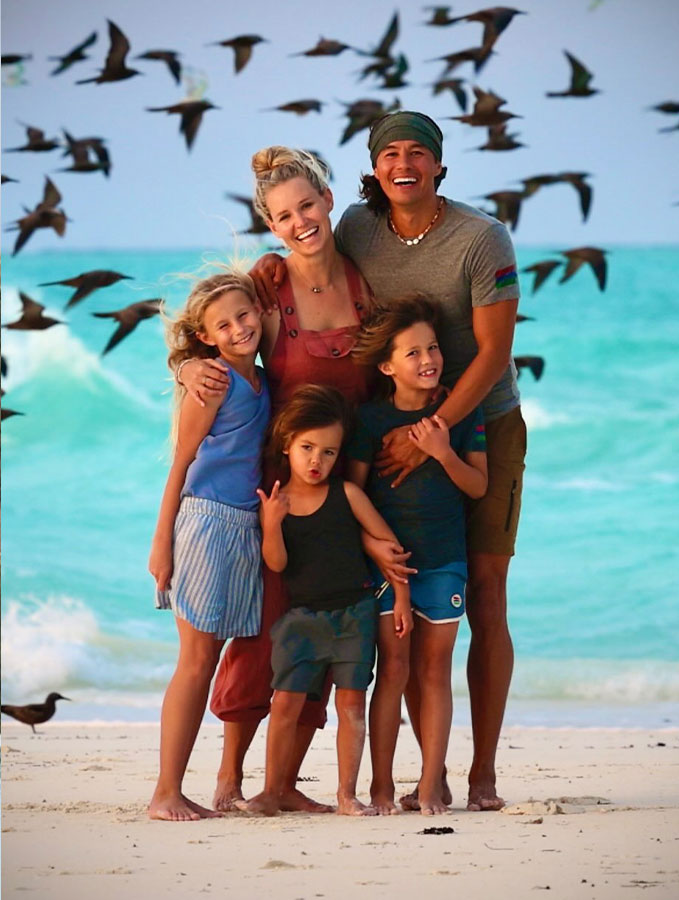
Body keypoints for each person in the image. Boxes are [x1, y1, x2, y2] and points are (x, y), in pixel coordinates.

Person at [246, 111, 525, 812]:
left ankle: (481, 774)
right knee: (379, 610)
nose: (404, 164)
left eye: (418, 154)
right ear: (372, 171)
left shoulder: (481, 236)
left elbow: (492, 354)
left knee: (484, 593)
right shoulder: (358, 230)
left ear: (439, 165)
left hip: (479, 423)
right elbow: (306, 271)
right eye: (389, 154)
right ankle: (363, 780)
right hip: (387, 429)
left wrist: (432, 427)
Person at [176, 148, 409, 812]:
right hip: (275, 491)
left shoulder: (365, 285)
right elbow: (217, 336)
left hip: (341, 486)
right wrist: (187, 368)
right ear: (272, 226)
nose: (300, 221)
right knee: (261, 634)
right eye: (284, 215)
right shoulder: (266, 287)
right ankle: (228, 779)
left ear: (329, 200)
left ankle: (281, 786)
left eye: (307, 205)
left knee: (325, 626)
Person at [238, 384, 412, 817]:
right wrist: (272, 524)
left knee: (351, 704)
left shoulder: (348, 495)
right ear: (288, 445)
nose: (317, 460)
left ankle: (346, 795)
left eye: (329, 453)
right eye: (308, 448)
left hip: (354, 614)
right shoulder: (278, 504)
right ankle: (272, 790)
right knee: (285, 705)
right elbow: (276, 564)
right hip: (301, 621)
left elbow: (389, 544)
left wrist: (403, 598)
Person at [346, 297, 487, 815]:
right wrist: (371, 547)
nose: (428, 359)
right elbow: (352, 494)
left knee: (435, 672)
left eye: (432, 348)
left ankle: (431, 784)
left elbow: (477, 485)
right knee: (393, 669)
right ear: (386, 366)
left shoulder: (459, 411)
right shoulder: (369, 419)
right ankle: (381, 785)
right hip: (388, 567)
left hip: (446, 559)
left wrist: (442, 451)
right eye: (412, 352)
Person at [148, 270, 270, 821]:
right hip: (204, 523)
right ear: (207, 337)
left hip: (244, 526)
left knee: (220, 656)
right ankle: (165, 792)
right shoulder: (213, 382)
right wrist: (161, 542)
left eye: (245, 315)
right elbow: (181, 464)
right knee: (196, 662)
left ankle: (211, 784)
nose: (239, 328)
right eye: (224, 324)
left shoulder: (263, 379)